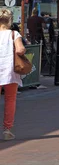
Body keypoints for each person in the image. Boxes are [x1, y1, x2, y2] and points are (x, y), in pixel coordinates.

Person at [0, 8, 26, 140]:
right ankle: (7, 130)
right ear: (10, 20)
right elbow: (20, 49)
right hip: (10, 72)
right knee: (10, 100)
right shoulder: (13, 34)